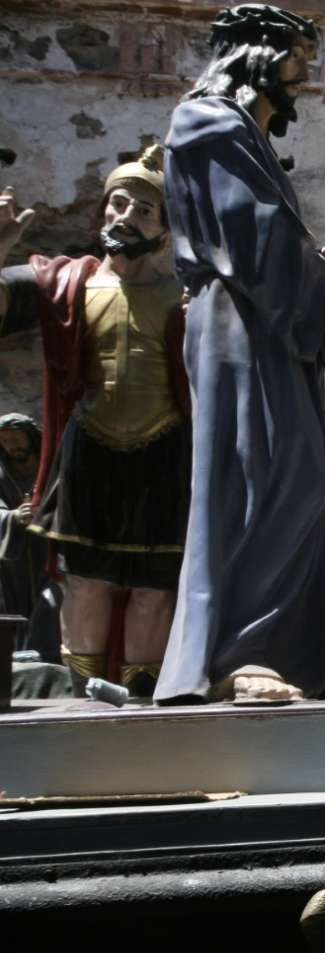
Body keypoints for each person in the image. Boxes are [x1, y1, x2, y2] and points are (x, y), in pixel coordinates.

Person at [157, 4, 325, 703]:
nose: (304, 73)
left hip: (265, 321)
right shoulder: (207, 121)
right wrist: (322, 271)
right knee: (259, 471)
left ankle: (278, 643)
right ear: (256, 52)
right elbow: (250, 237)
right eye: (296, 55)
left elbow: (271, 240)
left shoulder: (242, 132)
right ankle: (235, 653)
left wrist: (322, 274)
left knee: (300, 475)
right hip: (235, 319)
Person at [0, 152, 189, 695]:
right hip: (89, 448)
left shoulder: (186, 295)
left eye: (145, 209)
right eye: (118, 202)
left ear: (164, 228)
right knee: (86, 582)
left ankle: (142, 699)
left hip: (167, 449)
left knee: (155, 587)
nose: (125, 215)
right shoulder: (64, 282)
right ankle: (84, 698)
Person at [0, 414, 53, 657]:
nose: (11, 445)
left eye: (16, 438)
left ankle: (50, 655)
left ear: (30, 436)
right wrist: (13, 517)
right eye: (5, 440)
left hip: (49, 551)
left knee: (50, 604)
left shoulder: (50, 466)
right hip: (15, 561)